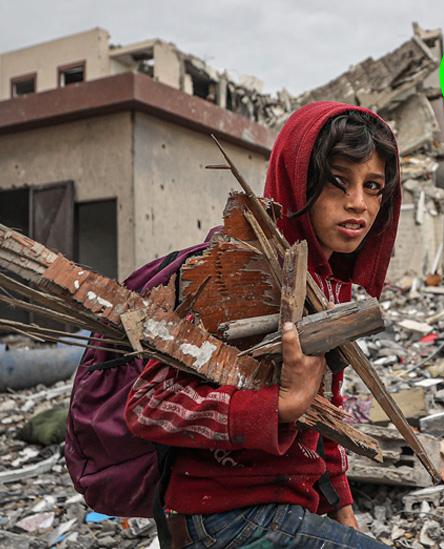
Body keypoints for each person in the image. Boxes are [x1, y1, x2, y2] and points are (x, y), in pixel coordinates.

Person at [124, 102, 401, 548]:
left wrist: (341, 505)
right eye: (338, 181)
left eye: (373, 187)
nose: (358, 204)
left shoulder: (328, 288)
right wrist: (278, 406)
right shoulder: (232, 273)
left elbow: (323, 414)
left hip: (287, 506)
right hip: (222, 515)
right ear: (297, 180)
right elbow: (149, 405)